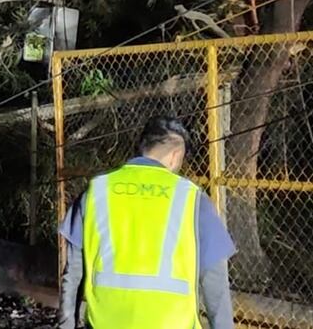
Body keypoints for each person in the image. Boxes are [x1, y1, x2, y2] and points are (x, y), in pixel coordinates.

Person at [57, 116, 236, 329]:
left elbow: (74, 272)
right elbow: (215, 283)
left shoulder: (97, 191)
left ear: (143, 147)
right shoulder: (192, 198)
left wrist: (66, 324)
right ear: (176, 155)